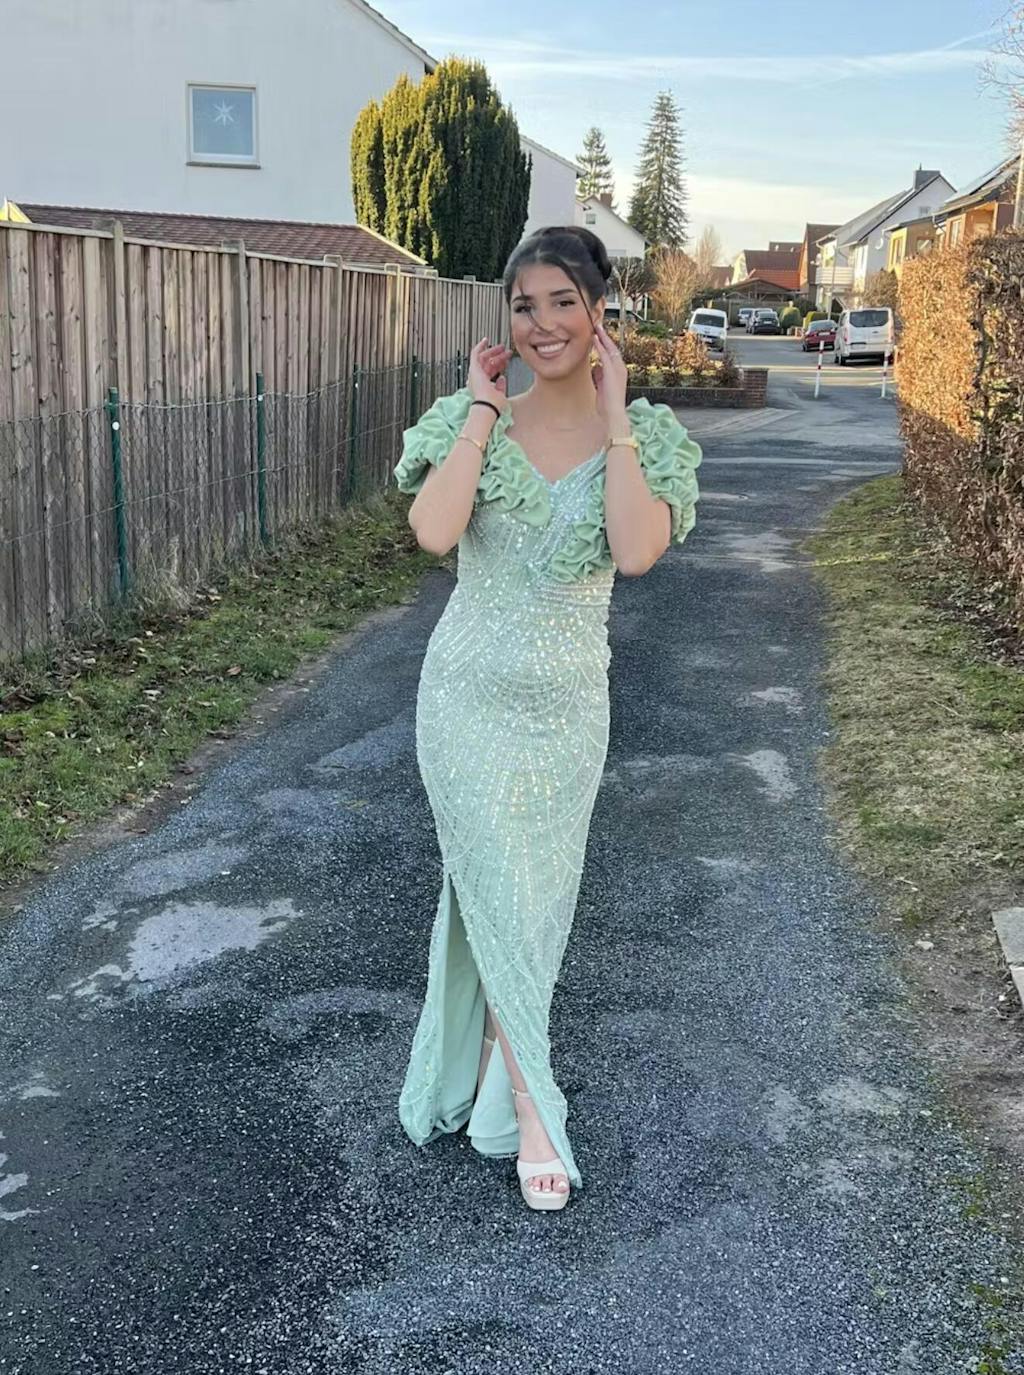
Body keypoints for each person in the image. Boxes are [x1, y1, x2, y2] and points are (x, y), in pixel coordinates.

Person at [394, 225, 702, 1211]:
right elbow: (432, 531)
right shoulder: (471, 419)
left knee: (531, 905)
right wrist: (484, 410)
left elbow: (637, 550)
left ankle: (498, 1073)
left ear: (601, 310)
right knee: (496, 882)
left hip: (567, 712)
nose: (543, 323)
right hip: (465, 702)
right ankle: (534, 1110)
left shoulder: (644, 438)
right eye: (524, 306)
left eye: (563, 301)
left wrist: (615, 420)